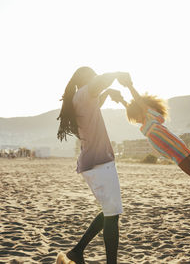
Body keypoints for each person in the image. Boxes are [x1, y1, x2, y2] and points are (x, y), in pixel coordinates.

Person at [56, 66, 131, 264]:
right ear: (88, 80)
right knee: (113, 216)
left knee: (109, 211)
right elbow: (98, 83)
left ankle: (77, 252)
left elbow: (97, 96)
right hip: (100, 163)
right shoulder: (84, 93)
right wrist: (117, 74)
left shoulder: (80, 99)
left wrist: (107, 92)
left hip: (92, 164)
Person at [115, 83, 190, 179]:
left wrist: (129, 86)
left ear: (140, 109)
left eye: (135, 116)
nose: (136, 119)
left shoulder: (149, 115)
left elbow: (138, 100)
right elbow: (132, 108)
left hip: (172, 147)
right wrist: (121, 100)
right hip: (172, 146)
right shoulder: (147, 122)